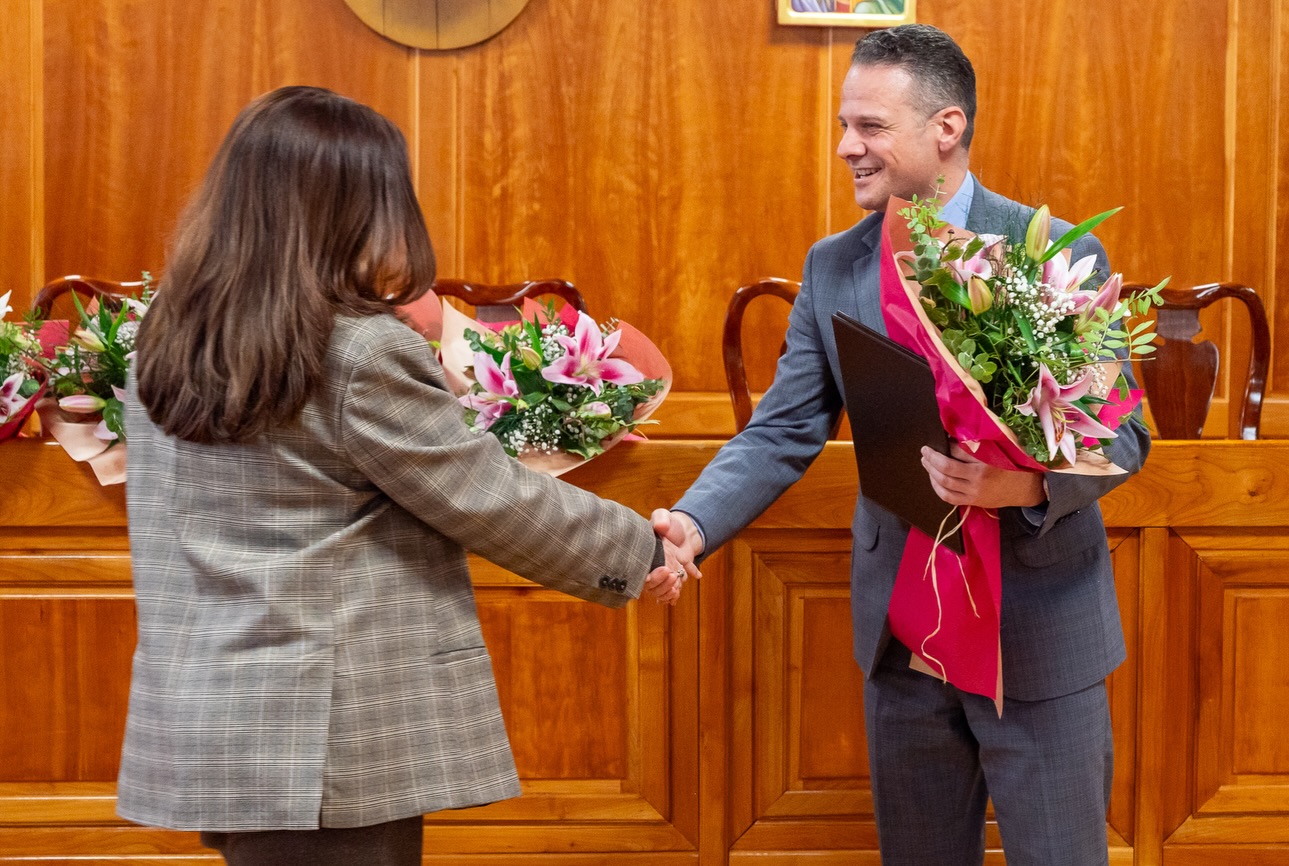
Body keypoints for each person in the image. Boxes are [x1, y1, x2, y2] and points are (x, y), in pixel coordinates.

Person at [117, 85, 689, 866]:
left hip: (215, 716)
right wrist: (645, 549)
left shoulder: (168, 335)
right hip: (333, 735)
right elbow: (484, 496)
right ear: (351, 207)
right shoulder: (355, 349)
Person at [654, 24, 1149, 866]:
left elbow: (1122, 437)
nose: (846, 147)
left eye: (869, 127)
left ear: (945, 127)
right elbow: (782, 428)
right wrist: (694, 523)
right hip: (904, 638)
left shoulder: (1056, 251)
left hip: (1038, 633)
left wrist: (1024, 487)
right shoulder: (832, 266)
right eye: (844, 126)